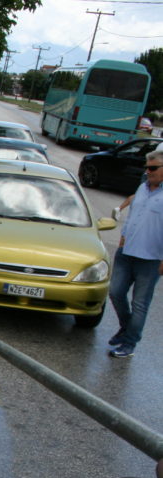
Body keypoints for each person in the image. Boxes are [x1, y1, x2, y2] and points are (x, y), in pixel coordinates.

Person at [107, 149, 163, 358]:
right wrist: (123, 236)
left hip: (151, 259)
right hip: (127, 252)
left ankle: (129, 343)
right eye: (147, 168)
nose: (148, 172)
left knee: (139, 303)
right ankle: (126, 328)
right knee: (115, 292)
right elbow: (133, 214)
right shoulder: (142, 187)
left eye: (153, 168)